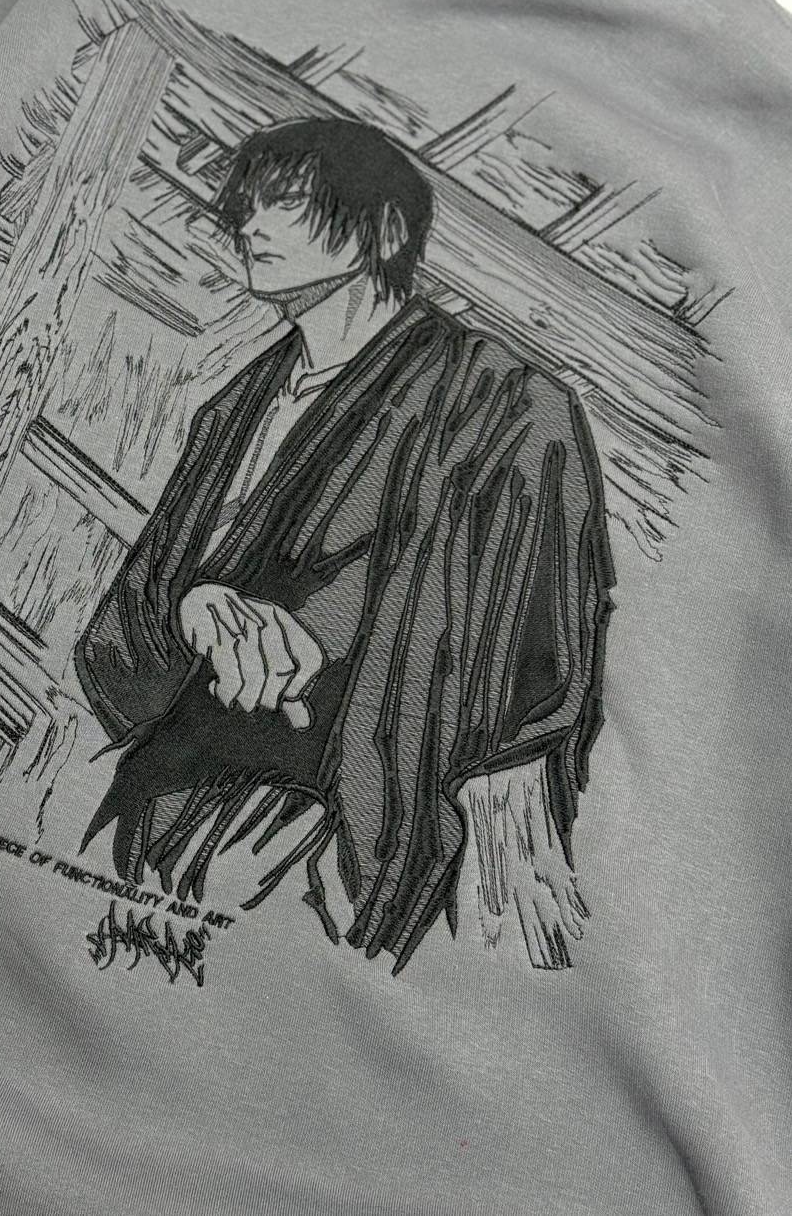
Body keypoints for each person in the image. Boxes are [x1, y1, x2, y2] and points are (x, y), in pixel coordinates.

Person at [74, 116, 616, 973]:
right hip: (175, 795)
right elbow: (138, 613)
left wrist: (316, 637)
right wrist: (196, 607)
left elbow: (529, 655)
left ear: (386, 230)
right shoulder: (238, 405)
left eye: (285, 202)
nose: (250, 224)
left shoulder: (505, 404)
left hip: (350, 834)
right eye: (246, 203)